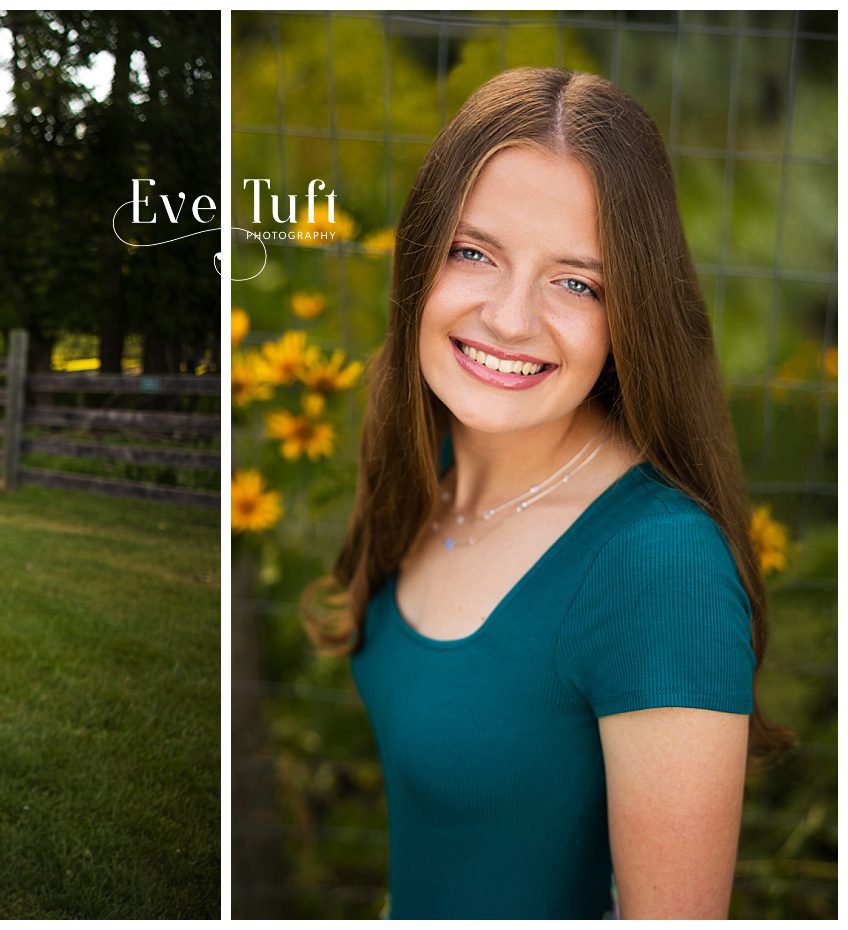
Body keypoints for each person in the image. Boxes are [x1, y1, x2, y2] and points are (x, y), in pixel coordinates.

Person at [304, 68, 792, 919]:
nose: (509, 317)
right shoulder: (432, 468)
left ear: (629, 313)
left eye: (577, 282)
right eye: (474, 251)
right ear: (421, 256)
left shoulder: (658, 566)